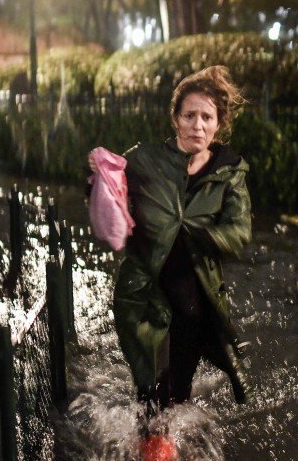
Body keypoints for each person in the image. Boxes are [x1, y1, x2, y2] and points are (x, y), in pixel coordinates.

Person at [88, 65, 252, 417]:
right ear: (175, 119)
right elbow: (111, 193)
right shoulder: (146, 160)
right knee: (149, 387)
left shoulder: (229, 171)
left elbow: (239, 230)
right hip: (145, 294)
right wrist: (99, 179)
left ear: (218, 124)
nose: (198, 124)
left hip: (195, 299)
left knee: (178, 390)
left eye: (207, 117)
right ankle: (151, 448)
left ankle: (170, 449)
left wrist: (198, 232)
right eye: (189, 115)